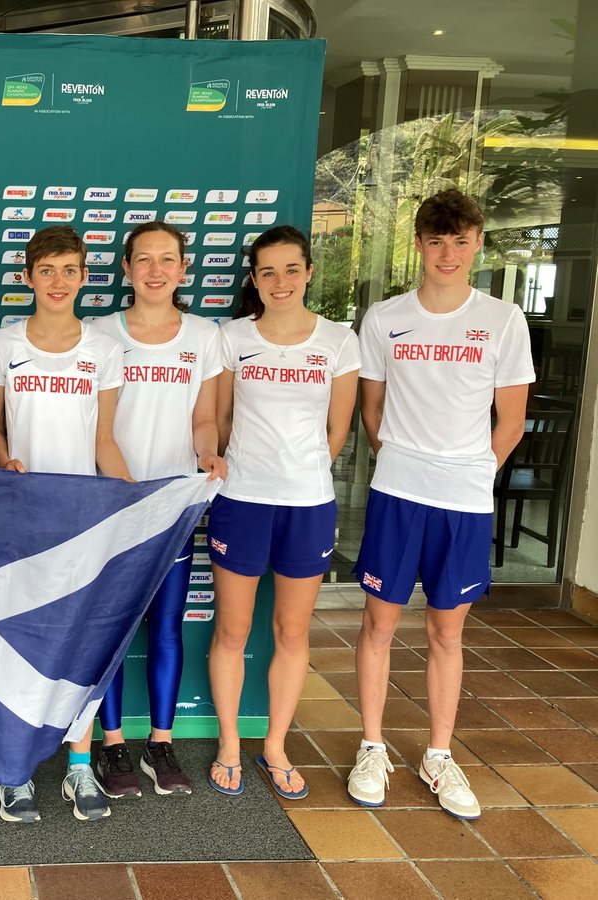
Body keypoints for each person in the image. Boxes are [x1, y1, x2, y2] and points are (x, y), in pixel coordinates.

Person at [347, 189, 534, 820]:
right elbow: (371, 409)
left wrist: (470, 472)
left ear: (478, 242)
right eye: (435, 240)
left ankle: (439, 754)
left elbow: (510, 420)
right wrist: (404, 458)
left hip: (464, 501)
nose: (447, 253)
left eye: (460, 240)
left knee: (445, 632)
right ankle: (372, 748)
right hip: (398, 491)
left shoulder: (504, 320)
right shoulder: (384, 318)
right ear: (419, 245)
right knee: (379, 623)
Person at [207, 226, 360, 799]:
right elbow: (219, 422)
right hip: (241, 500)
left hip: (307, 504)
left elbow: (338, 430)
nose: (280, 282)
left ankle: (274, 745)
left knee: (292, 633)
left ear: (309, 272)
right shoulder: (231, 337)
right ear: (253, 279)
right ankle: (228, 744)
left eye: (291, 269)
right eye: (267, 272)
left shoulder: (340, 340)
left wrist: (301, 470)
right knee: (233, 629)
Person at [0, 224, 130, 824]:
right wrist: (2, 460)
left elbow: (104, 441)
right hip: (18, 519)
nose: (58, 281)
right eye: (46, 270)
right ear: (27, 277)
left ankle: (77, 767)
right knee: (16, 642)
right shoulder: (1, 345)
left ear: (85, 277)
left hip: (81, 522)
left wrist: (139, 502)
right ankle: (14, 772)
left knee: (81, 642)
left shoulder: (103, 350)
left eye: (70, 270)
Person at [90, 222, 227, 799]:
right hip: (113, 506)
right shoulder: (98, 334)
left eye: (166, 259)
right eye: (143, 259)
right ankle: (113, 743)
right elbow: (95, 426)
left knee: (167, 625)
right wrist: (121, 488)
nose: (154, 270)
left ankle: (161, 743)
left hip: (173, 507)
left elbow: (205, 418)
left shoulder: (204, 336)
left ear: (182, 269)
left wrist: (209, 455)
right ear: (126, 269)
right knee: (113, 629)